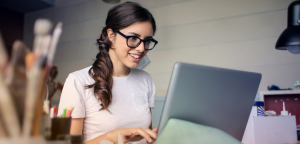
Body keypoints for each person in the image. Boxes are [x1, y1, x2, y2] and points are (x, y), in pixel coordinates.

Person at [57, 2, 158, 144]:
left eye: (147, 41)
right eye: (133, 38)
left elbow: (148, 137)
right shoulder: (78, 81)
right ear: (111, 35)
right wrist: (112, 137)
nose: (141, 48)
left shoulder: (145, 79)